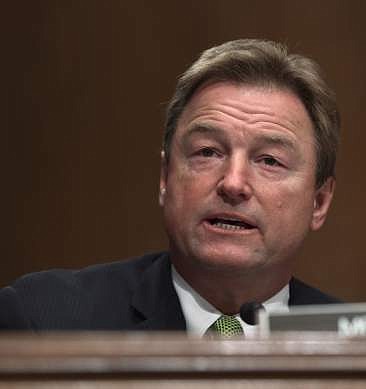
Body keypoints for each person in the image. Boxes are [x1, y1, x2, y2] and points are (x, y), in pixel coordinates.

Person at [0, 39, 340, 336]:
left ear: (319, 202)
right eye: (207, 152)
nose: (233, 183)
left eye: (269, 160)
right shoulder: (44, 320)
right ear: (165, 177)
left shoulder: (365, 346)